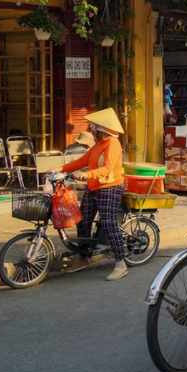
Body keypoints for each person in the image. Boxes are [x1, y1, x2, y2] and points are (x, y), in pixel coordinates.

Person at [52, 108, 128, 281]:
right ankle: (84, 257)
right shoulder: (99, 144)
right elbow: (82, 161)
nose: (92, 131)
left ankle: (120, 263)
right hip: (94, 187)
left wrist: (87, 174)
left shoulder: (113, 144)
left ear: (104, 129)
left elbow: (108, 168)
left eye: (95, 128)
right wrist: (60, 169)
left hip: (110, 187)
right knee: (82, 220)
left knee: (109, 224)